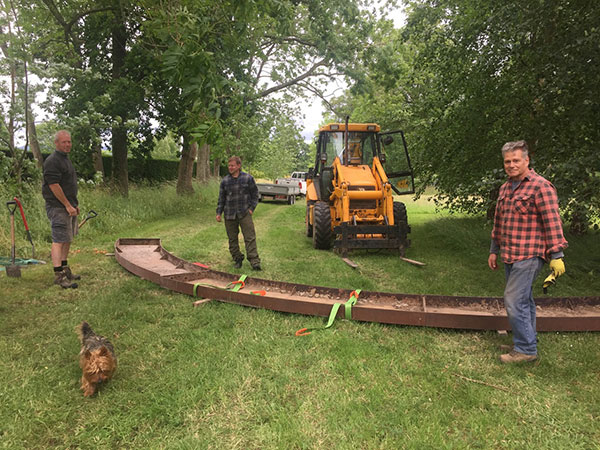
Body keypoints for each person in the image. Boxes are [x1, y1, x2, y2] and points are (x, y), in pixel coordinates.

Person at [488, 140, 568, 363]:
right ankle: (527, 340)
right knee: (524, 299)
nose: (511, 165)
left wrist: (557, 255)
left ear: (526, 160)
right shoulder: (505, 188)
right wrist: (494, 250)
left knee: (513, 300)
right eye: (507, 161)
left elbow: (552, 222)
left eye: (516, 160)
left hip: (530, 254)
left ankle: (525, 350)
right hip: (510, 254)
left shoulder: (541, 186)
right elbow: (499, 223)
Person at [42, 130, 80, 289]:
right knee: (58, 240)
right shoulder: (52, 161)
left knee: (67, 238)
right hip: (58, 207)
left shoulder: (65, 160)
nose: (67, 145)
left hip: (69, 206)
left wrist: (74, 205)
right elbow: (54, 185)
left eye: (69, 142)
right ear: (56, 143)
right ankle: (59, 275)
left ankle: (65, 269)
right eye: (64, 142)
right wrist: (67, 205)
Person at [216, 156, 261, 270]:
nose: (230, 168)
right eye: (229, 165)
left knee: (250, 237)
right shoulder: (225, 181)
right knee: (232, 239)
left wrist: (251, 208)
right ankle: (237, 259)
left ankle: (254, 262)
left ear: (239, 166)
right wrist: (218, 212)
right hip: (229, 214)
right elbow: (221, 198)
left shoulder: (248, 178)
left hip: (244, 212)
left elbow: (255, 194)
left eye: (232, 165)